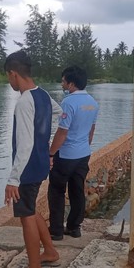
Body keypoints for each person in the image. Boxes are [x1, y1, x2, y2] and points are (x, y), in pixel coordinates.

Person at [4, 50, 62, 268]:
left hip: (27, 168)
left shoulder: (24, 102)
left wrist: (13, 179)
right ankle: (49, 251)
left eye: (8, 77)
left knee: (25, 215)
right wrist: (46, 144)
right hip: (40, 163)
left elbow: (25, 144)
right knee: (30, 208)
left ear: (13, 74)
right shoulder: (44, 96)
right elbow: (61, 114)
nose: (9, 82)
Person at [48, 66, 99, 241]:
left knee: (57, 191)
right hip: (83, 154)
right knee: (77, 191)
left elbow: (62, 132)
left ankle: (56, 230)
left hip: (66, 155)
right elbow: (92, 129)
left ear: (71, 83)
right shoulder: (93, 102)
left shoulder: (68, 103)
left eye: (63, 81)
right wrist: (85, 146)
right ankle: (74, 227)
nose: (62, 84)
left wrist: (51, 153)